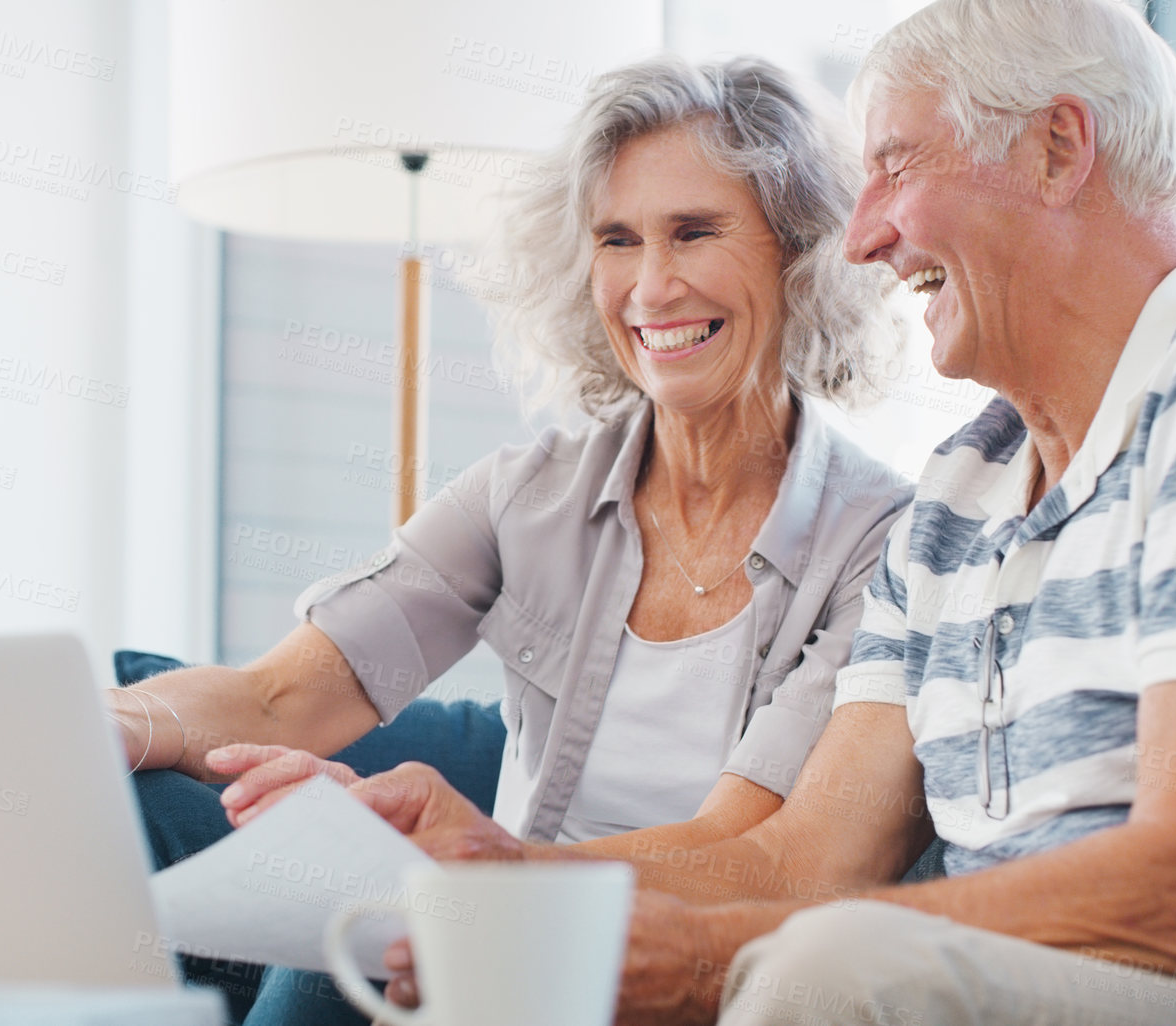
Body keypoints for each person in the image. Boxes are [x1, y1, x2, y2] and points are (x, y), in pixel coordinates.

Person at [218, 2, 1176, 1023]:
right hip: (957, 977)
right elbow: (799, 859)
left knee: (826, 964)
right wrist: (507, 874)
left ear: (1059, 151)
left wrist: (710, 962)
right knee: (425, 940)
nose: (862, 236)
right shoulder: (960, 494)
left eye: (896, 167)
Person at [111, 54, 913, 1023]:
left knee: (362, 935)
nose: (651, 286)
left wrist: (491, 875)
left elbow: (739, 852)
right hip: (483, 937)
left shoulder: (882, 544)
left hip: (668, 965)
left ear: (800, 252)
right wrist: (115, 725)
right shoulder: (528, 494)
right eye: (617, 241)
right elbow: (278, 697)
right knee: (130, 822)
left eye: (694, 233)